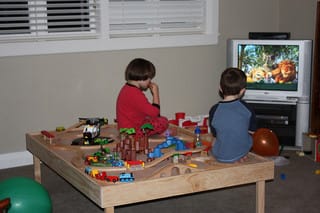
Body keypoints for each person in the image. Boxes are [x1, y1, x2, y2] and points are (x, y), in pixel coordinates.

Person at [208, 67, 256, 163]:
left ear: (220, 88)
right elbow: (252, 131)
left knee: (214, 140)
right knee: (250, 136)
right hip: (241, 152)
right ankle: (240, 153)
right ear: (242, 91)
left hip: (219, 156)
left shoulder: (214, 110)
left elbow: (215, 134)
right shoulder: (247, 109)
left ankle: (223, 154)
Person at [116, 58, 169, 139]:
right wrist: (156, 93)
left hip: (126, 128)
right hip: (132, 132)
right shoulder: (135, 93)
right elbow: (155, 114)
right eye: (149, 78)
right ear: (142, 77)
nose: (150, 81)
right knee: (163, 121)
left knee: (150, 119)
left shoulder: (127, 88)